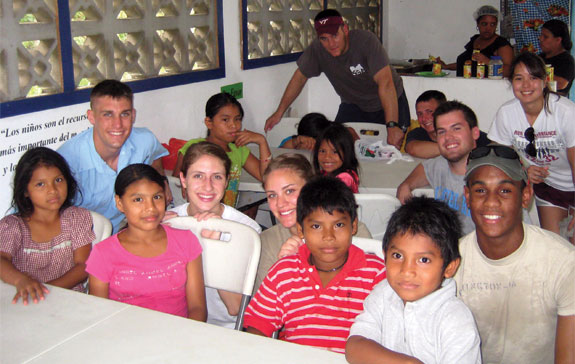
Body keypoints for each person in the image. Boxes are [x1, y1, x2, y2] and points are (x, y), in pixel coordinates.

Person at [457, 144, 574, 363]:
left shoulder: (563, 262)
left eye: (505, 190)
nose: (491, 202)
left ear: (526, 195)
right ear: (467, 196)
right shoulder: (451, 263)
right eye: (480, 190)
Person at [244, 176, 386, 353]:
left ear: (354, 226)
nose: (328, 236)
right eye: (317, 227)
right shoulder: (283, 272)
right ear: (301, 230)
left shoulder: (376, 273)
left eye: (339, 225)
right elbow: (258, 326)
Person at [346, 196, 481, 364]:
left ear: (449, 267)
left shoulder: (455, 320)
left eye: (423, 260)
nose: (407, 271)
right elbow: (354, 347)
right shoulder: (383, 293)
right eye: (397, 256)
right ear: (384, 254)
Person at [264, 9, 410, 150]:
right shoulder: (318, 49)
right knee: (335, 145)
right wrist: (279, 112)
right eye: (324, 39)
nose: (331, 44)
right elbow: (299, 78)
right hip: (353, 104)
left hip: (389, 101)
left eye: (335, 36)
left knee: (393, 150)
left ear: (345, 30)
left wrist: (392, 124)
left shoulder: (366, 41)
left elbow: (386, 84)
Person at [87, 164, 206, 320]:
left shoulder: (186, 241)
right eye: (138, 199)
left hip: (178, 335)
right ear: (120, 203)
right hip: (123, 337)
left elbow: (197, 308)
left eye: (157, 197)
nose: (150, 208)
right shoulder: (103, 253)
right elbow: (99, 314)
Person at [167, 141, 260, 328]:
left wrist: (213, 247)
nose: (207, 186)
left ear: (227, 181)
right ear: (183, 180)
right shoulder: (171, 222)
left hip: (224, 329)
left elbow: (235, 308)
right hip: (176, 322)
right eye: (198, 176)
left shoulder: (246, 230)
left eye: (216, 177)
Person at [58, 79, 171, 233]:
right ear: (91, 117)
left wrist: (162, 181)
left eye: (124, 114)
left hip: (128, 230)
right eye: (107, 115)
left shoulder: (145, 140)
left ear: (133, 115)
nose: (117, 124)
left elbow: (155, 156)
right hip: (85, 241)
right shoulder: (67, 161)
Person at [488, 52, 575, 243]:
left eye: (533, 78)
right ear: (511, 83)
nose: (526, 85)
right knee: (555, 246)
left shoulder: (566, 112)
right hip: (550, 188)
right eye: (519, 78)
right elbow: (499, 157)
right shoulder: (507, 113)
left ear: (545, 81)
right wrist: (524, 169)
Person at [254, 154, 372, 292]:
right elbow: (269, 306)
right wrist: (285, 267)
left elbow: (367, 293)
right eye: (272, 195)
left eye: (289, 191)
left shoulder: (352, 232)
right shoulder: (266, 242)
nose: (280, 203)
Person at [0, 147, 94, 305]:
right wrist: (21, 281)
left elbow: (83, 266)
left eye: (58, 180)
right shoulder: (13, 226)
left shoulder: (77, 218)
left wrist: (45, 290)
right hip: (26, 301)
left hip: (69, 300)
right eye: (40, 184)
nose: (52, 190)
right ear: (25, 191)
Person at [172, 92, 272, 207]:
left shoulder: (238, 150)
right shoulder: (194, 148)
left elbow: (267, 178)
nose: (233, 125)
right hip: (198, 215)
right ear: (209, 123)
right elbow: (176, 186)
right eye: (225, 120)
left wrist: (262, 141)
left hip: (225, 217)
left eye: (237, 119)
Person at [397, 101, 481, 234]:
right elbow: (424, 169)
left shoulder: (490, 176)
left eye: (456, 128)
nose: (448, 137)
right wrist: (406, 185)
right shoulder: (440, 164)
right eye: (442, 132)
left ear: (475, 133)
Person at [440, 5, 513, 78]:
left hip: (488, 88)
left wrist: (488, 61)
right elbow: (467, 63)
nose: (488, 28)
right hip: (464, 86)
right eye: (484, 24)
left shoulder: (501, 44)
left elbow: (509, 71)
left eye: (492, 24)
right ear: (478, 24)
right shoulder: (475, 40)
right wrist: (445, 66)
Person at [313, 122, 360, 193]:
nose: (327, 157)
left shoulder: (345, 178)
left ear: (347, 153)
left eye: (335, 152)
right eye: (322, 151)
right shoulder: (324, 174)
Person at [539, 19, 574, 96]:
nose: (540, 39)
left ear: (558, 40)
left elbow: (561, 84)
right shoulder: (539, 58)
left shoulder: (567, 60)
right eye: (541, 35)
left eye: (545, 37)